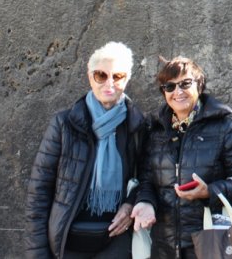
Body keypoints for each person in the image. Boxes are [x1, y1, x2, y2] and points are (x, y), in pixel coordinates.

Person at [25, 42, 155, 258]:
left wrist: (130, 204)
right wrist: (38, 254)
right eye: (101, 75)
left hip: (116, 242)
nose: (109, 83)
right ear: (90, 76)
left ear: (127, 79)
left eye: (118, 76)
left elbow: (147, 178)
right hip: (68, 242)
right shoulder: (64, 124)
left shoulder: (137, 126)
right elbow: (39, 193)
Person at [131, 56, 232, 259]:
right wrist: (145, 201)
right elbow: (146, 179)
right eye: (169, 86)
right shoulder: (155, 129)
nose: (177, 92)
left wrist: (209, 192)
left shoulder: (224, 127)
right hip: (163, 245)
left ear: (200, 84)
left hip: (210, 242)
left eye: (185, 84)